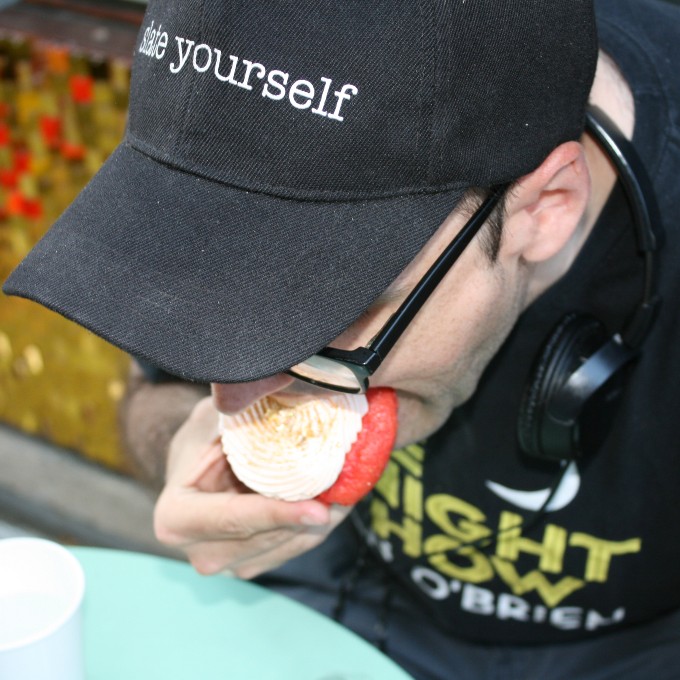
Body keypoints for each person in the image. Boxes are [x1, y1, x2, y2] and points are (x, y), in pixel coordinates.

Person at [4, 0, 680, 677]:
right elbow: (150, 397)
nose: (238, 397)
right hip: (332, 605)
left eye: (335, 307)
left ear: (545, 208)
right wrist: (180, 438)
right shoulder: (235, 148)